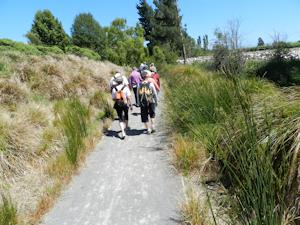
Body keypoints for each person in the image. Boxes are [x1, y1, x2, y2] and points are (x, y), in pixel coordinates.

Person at [111, 75, 132, 140]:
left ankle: (123, 132)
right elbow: (128, 97)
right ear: (122, 81)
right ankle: (126, 127)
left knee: (120, 118)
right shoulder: (125, 87)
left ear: (116, 82)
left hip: (118, 104)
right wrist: (130, 105)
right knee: (126, 115)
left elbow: (113, 98)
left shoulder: (114, 88)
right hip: (125, 103)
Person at [137, 70, 158, 134]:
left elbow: (138, 95)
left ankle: (148, 129)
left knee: (144, 116)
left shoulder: (139, 84)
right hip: (151, 101)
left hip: (143, 102)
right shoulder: (150, 84)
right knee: (152, 114)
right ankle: (153, 127)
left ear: (141, 77)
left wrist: (138, 102)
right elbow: (155, 94)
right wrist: (156, 101)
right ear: (147, 77)